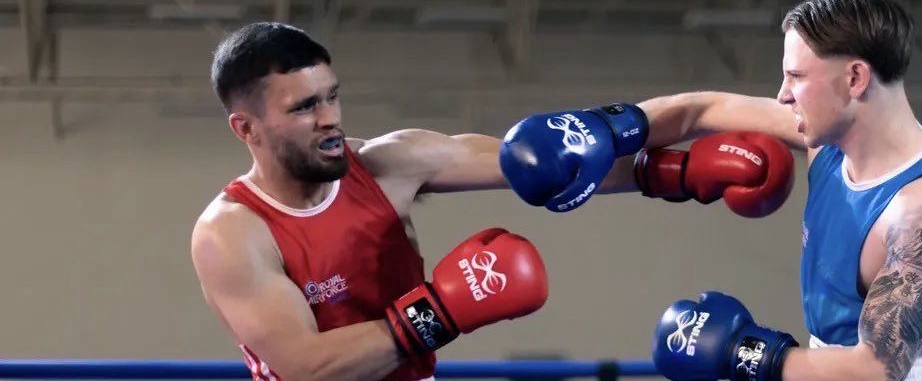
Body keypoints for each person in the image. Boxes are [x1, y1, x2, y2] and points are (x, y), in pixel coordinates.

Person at [189, 22, 797, 381]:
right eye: (303, 107)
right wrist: (441, 312)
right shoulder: (234, 232)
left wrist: (671, 171)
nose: (329, 119)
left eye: (331, 97)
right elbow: (305, 368)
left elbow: (544, 162)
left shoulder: (386, 163)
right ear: (247, 128)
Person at [499, 0, 922, 380]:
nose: (782, 94)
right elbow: (702, 110)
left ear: (855, 77)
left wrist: (740, 351)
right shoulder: (829, 140)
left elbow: (875, 370)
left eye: (796, 76)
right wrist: (605, 130)